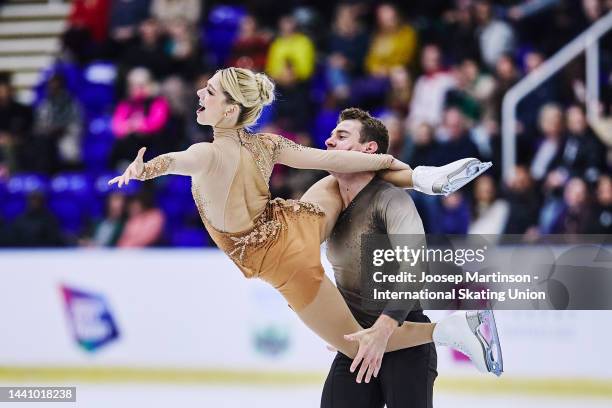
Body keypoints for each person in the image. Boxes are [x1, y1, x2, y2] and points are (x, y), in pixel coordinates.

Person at [108, 67, 501, 378]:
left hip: (285, 265)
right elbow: (332, 160)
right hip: (298, 221)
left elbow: (180, 161)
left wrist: (148, 170)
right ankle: (425, 178)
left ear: (229, 110)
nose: (199, 94)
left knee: (352, 344)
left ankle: (450, 330)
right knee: (341, 176)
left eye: (209, 91)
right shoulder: (268, 143)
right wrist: (403, 169)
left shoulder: (207, 153)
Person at [321, 108, 437, 407]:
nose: (329, 141)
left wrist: (383, 330)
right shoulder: (330, 203)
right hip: (357, 344)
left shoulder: (391, 199)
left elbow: (416, 266)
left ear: (368, 149)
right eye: (332, 134)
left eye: (341, 136)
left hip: (405, 337)